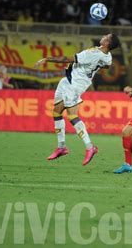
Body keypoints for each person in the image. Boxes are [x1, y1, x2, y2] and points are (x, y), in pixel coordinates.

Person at [35, 33, 121, 165]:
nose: (103, 36)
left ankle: (89, 147)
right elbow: (107, 65)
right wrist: (94, 66)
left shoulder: (93, 53)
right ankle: (61, 147)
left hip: (75, 84)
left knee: (72, 115)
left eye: (106, 37)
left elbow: (68, 58)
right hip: (67, 81)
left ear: (107, 43)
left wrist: (47, 59)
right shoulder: (107, 56)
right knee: (56, 112)